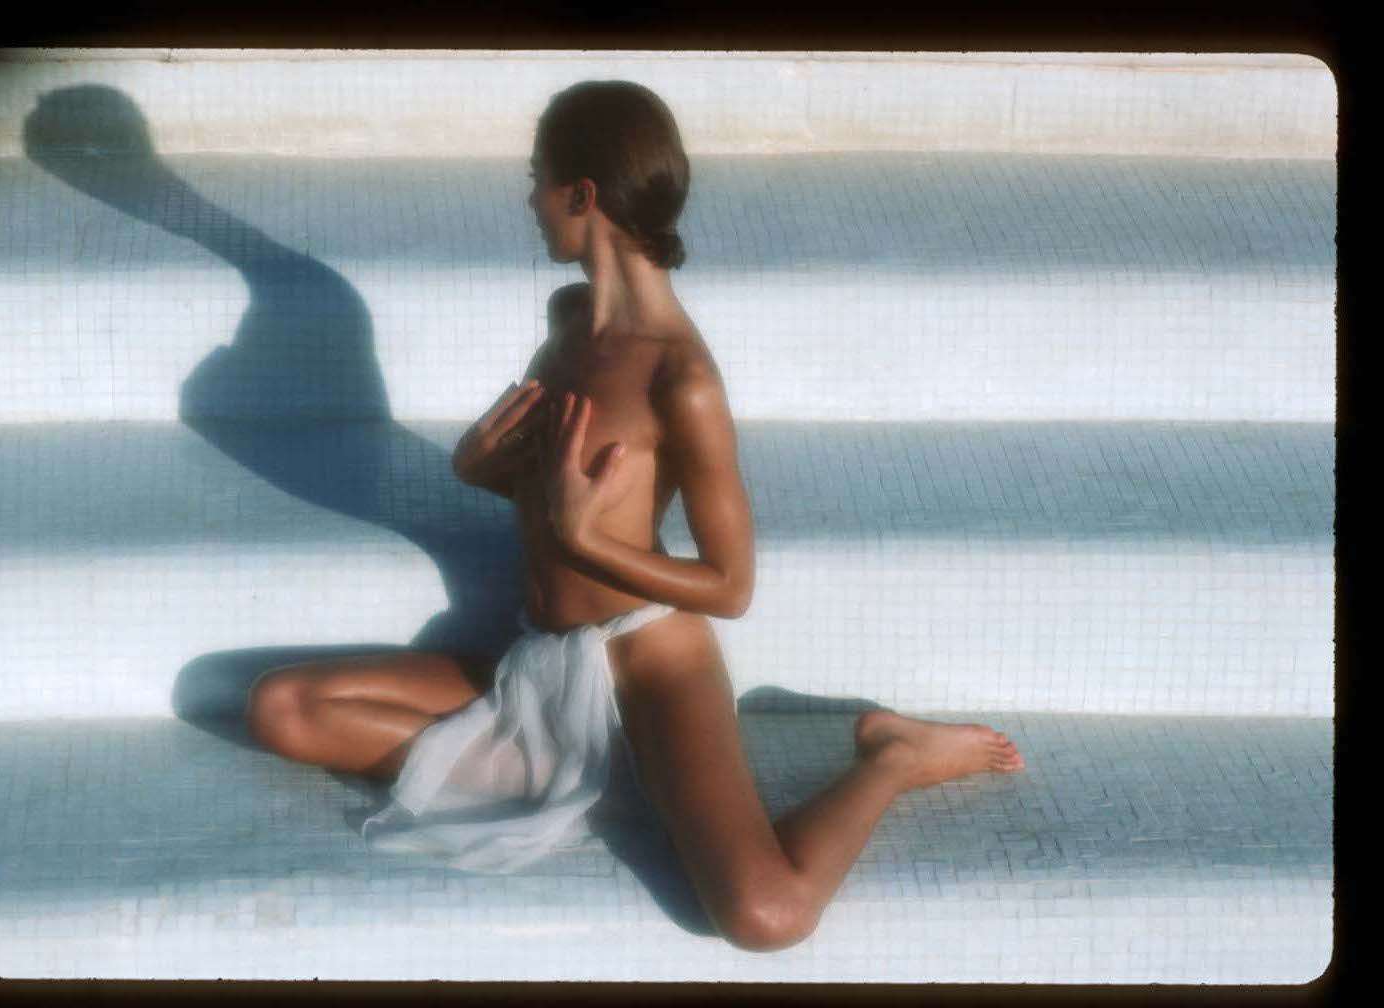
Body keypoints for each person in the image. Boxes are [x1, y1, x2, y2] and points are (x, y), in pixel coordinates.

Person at [246, 80, 1025, 953]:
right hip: (545, 659)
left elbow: (729, 587)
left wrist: (584, 539)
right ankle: (590, 772)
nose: (529, 200)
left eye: (537, 179)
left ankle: (894, 760)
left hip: (651, 664)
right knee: (283, 706)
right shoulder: (568, 321)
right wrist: (479, 470)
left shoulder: (681, 378)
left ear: (581, 194)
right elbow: (562, 496)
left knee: (766, 917)